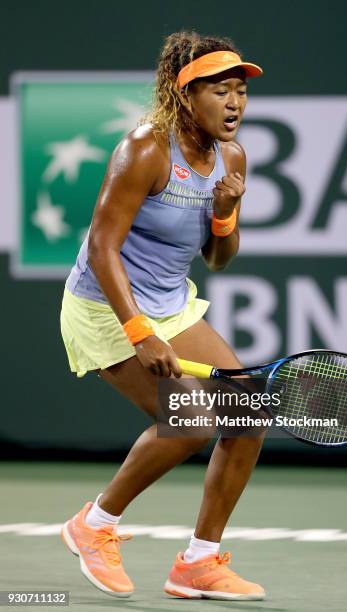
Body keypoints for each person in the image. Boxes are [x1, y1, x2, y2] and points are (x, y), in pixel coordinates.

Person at [60, 30, 265, 601]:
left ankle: (198, 563)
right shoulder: (145, 149)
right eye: (220, 91)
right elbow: (103, 247)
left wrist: (224, 215)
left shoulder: (232, 157)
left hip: (169, 304)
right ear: (185, 94)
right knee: (193, 420)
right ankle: (94, 525)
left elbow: (218, 260)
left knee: (247, 412)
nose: (235, 104)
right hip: (105, 306)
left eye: (240, 93)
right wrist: (138, 331)